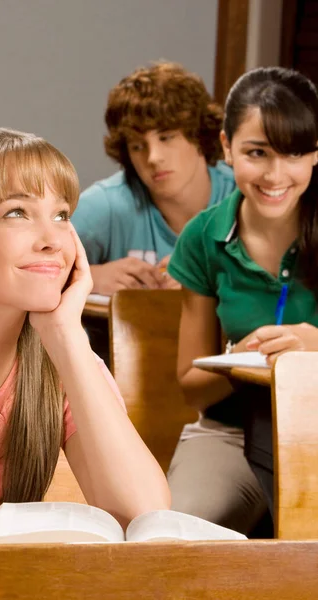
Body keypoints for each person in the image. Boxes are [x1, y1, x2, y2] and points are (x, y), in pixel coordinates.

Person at [0, 127, 170, 545]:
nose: (53, 240)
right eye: (16, 212)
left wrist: (66, 334)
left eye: (61, 215)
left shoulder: (64, 363)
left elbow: (146, 520)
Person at [166, 66, 318, 535]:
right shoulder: (202, 237)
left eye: (294, 154)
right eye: (257, 153)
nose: (276, 175)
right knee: (174, 536)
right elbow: (192, 384)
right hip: (230, 433)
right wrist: (237, 358)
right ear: (227, 147)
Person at [71, 61, 235, 295]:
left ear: (198, 135)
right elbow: (20, 266)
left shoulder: (244, 196)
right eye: (137, 146)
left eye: (167, 138)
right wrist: (88, 278)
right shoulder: (108, 204)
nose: (153, 158)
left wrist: (204, 281)